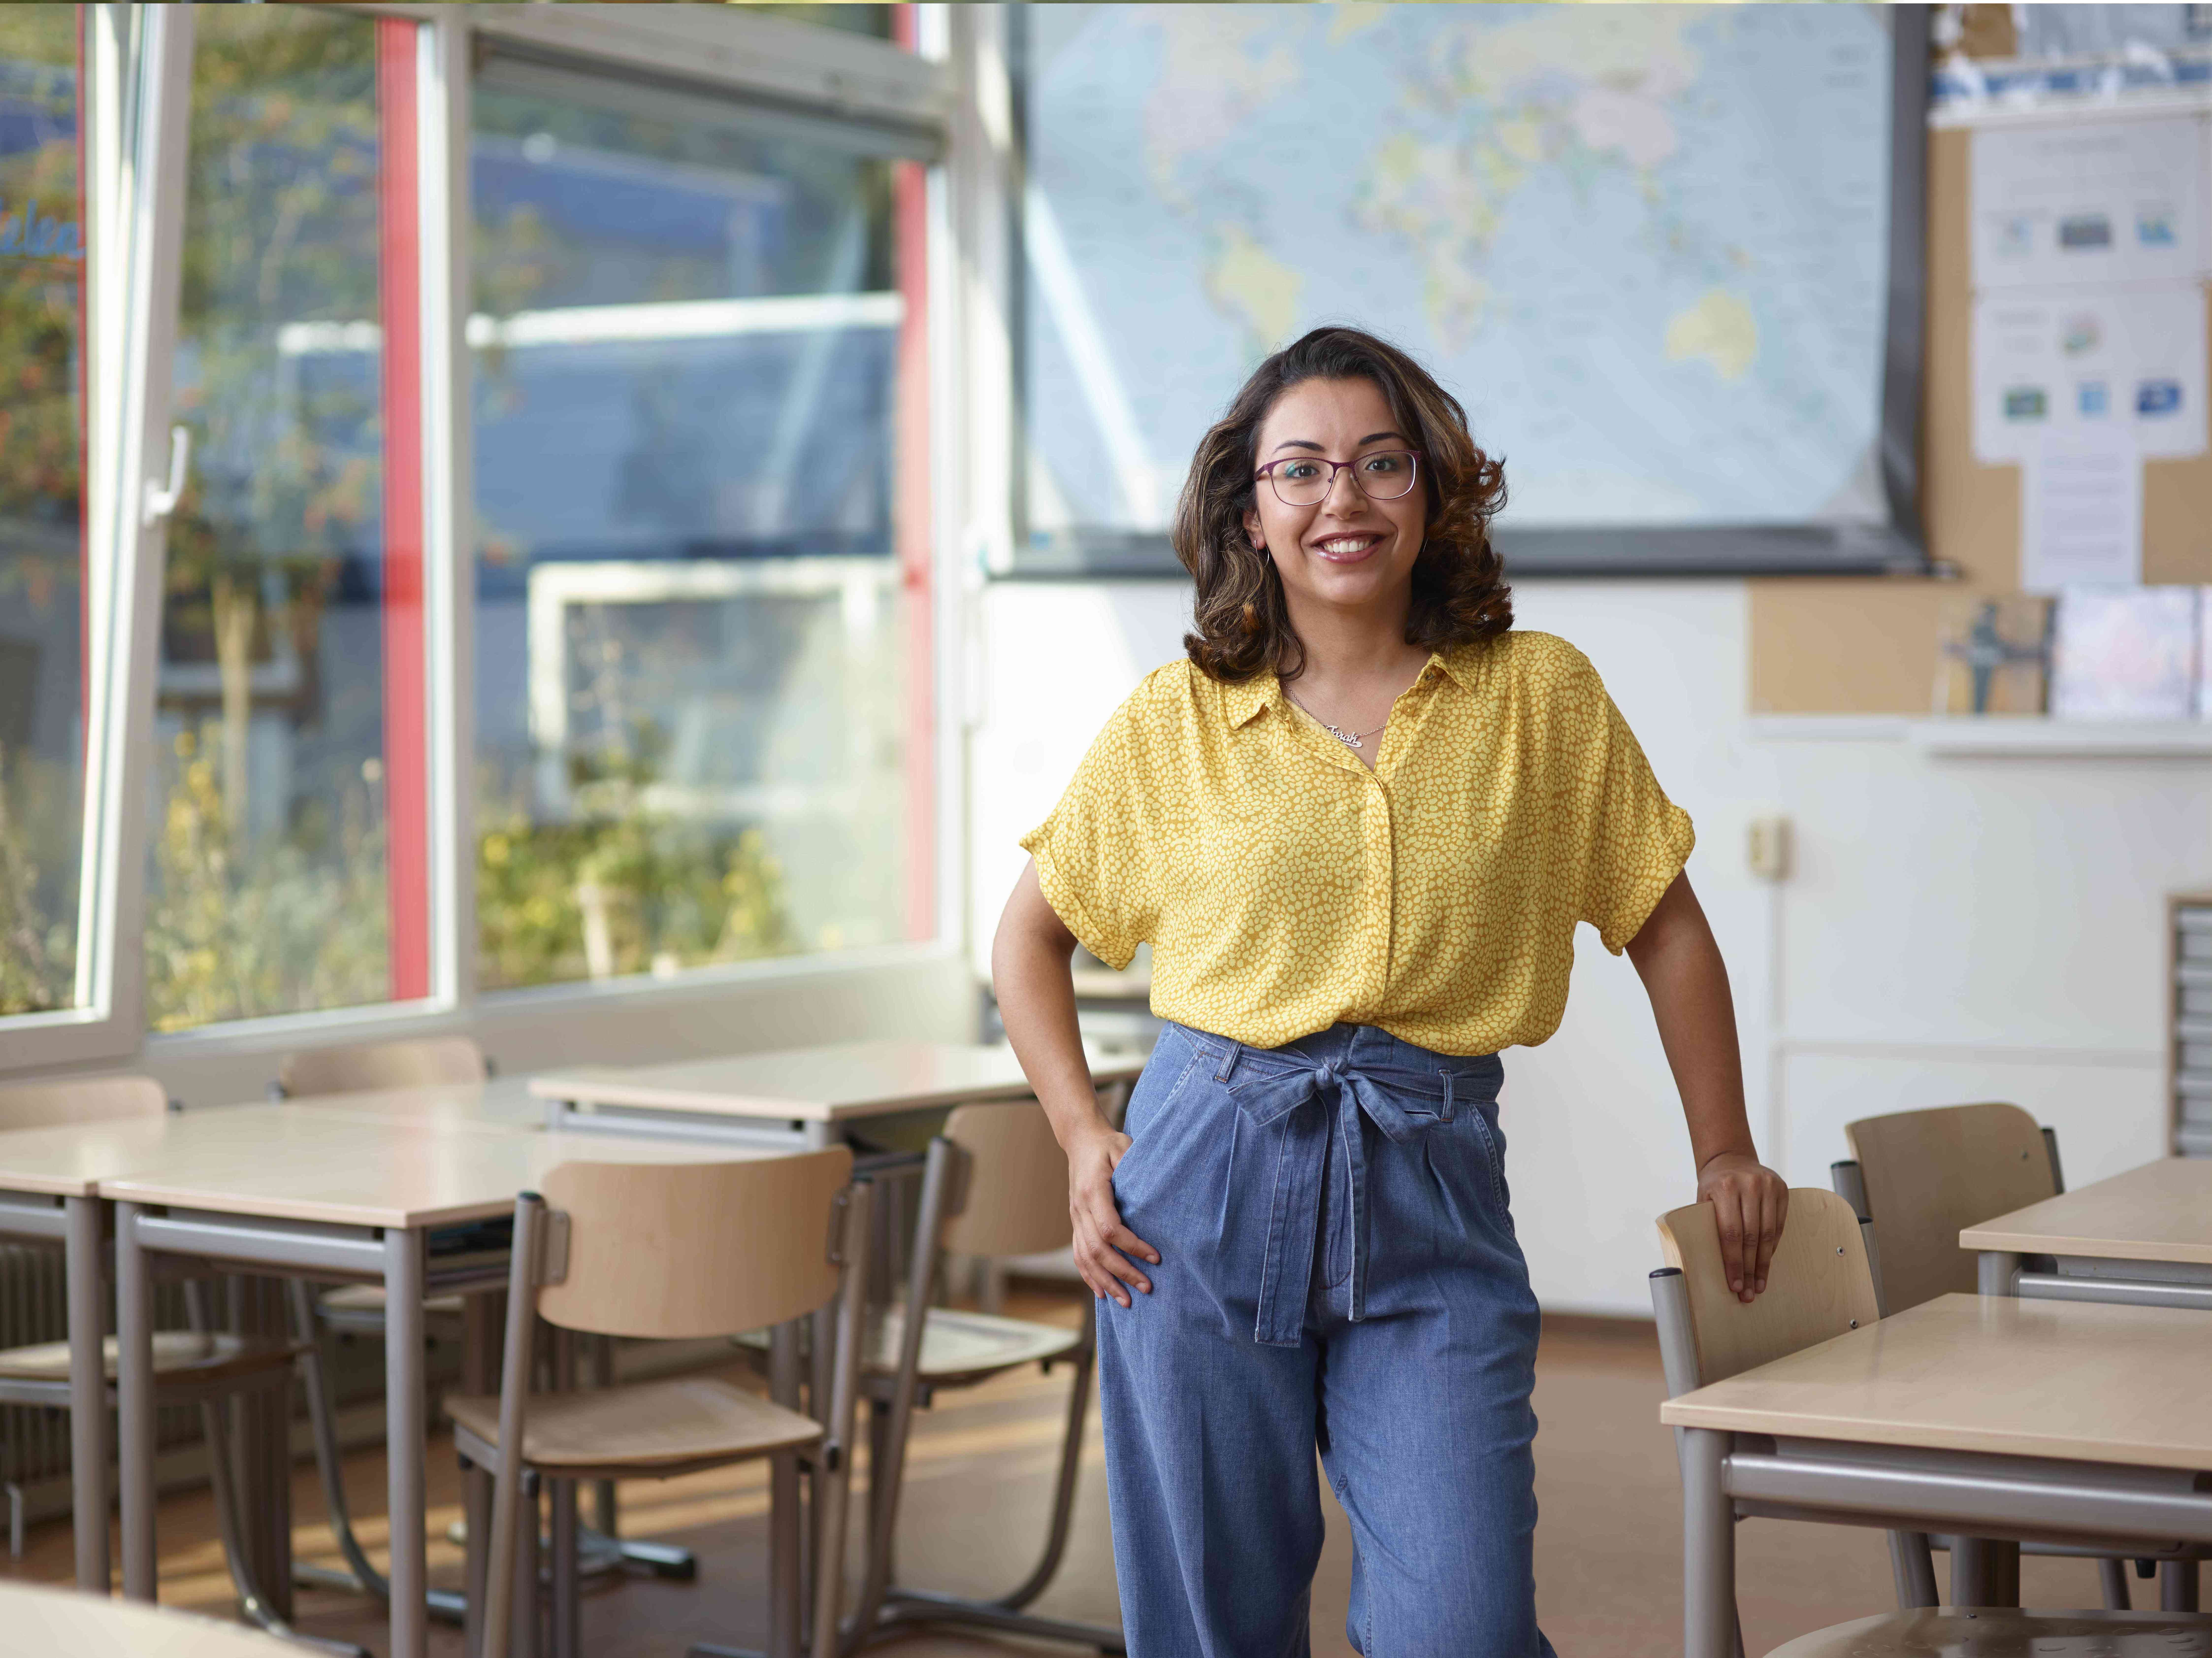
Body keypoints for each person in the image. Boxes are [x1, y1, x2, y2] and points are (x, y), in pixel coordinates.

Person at [991, 324, 1786, 1657]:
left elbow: (1665, 925)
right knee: (1210, 1621)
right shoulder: (1172, 720)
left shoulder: (1540, 698)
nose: (1341, 499)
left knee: (1461, 1627)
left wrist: (1725, 1151)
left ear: (1436, 490)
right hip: (1196, 1183)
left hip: (1431, 1180)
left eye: (1380, 463)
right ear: (1251, 506)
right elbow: (1027, 940)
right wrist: (1081, 1134)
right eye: (1299, 470)